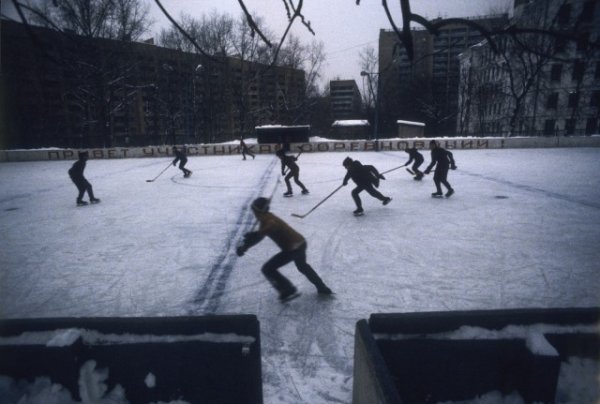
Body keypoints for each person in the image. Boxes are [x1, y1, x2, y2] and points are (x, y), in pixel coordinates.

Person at [236, 197, 333, 301]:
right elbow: (260, 236)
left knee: (268, 269)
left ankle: (288, 289)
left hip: (292, 249)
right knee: (302, 266)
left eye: (254, 210)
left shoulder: (267, 219)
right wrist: (246, 246)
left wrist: (253, 237)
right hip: (300, 242)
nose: (253, 213)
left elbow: (269, 227)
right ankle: (322, 287)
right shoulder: (267, 217)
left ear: (257, 211)